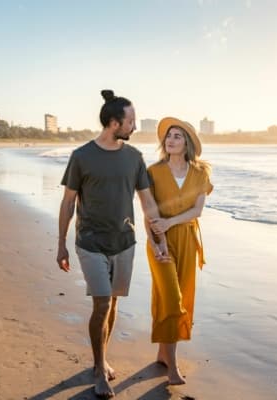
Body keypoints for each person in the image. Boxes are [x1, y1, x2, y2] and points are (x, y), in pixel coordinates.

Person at [56, 90, 169, 398]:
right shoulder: (81, 156)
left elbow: (147, 201)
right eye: (130, 121)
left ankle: (102, 357)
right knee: (102, 302)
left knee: (114, 302)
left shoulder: (134, 157)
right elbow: (68, 203)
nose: (134, 126)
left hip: (124, 242)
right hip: (91, 242)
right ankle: (98, 368)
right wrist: (61, 244)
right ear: (114, 122)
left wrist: (159, 240)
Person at [145, 117, 213, 385]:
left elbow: (197, 211)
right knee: (170, 299)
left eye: (177, 136)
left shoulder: (200, 174)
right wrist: (155, 241)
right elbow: (149, 212)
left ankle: (163, 353)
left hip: (186, 239)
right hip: (160, 240)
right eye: (168, 136)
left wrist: (171, 221)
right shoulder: (152, 172)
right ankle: (172, 367)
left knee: (181, 297)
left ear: (188, 143)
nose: (170, 140)